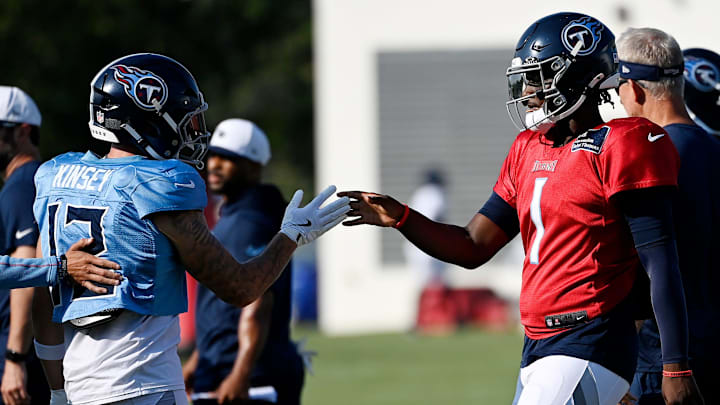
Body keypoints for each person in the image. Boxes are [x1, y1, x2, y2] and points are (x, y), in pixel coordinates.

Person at [339, 12, 703, 405]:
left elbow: (661, 262)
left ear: (577, 76)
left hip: (591, 337)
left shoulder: (623, 142)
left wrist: (676, 366)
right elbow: (472, 245)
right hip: (537, 344)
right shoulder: (528, 148)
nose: (528, 90)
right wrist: (402, 218)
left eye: (539, 77)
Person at [30, 53, 349, 405]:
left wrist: (57, 389)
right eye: (182, 117)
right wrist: (292, 235)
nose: (192, 130)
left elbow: (42, 296)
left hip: (79, 385)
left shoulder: (55, 176)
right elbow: (240, 288)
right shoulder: (162, 183)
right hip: (144, 384)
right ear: (145, 116)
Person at [615, 31, 720, 404]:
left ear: (635, 89)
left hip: (668, 360)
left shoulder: (652, 156)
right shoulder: (713, 147)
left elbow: (643, 270)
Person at [183, 118, 305, 405]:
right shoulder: (237, 215)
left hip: (245, 378)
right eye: (212, 155)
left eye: (228, 159)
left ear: (253, 166)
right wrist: (198, 359)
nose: (214, 164)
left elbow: (257, 301)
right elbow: (220, 308)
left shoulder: (251, 221)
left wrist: (241, 372)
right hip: (225, 369)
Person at [0, 85, 51, 405]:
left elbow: (27, 269)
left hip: (19, 356)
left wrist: (15, 358)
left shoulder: (22, 184)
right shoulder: (33, 180)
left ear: (23, 131)